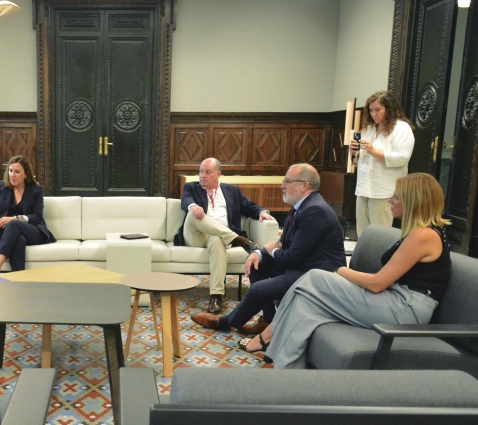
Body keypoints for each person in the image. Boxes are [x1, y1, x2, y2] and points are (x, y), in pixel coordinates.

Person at [244, 173, 450, 369]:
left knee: (314, 277)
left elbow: (377, 283)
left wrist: (339, 270)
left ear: (412, 201)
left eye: (395, 197)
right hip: (396, 299)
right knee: (306, 302)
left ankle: (270, 335)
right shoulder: (419, 233)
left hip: (406, 310)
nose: (390, 201)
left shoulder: (424, 235)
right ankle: (288, 369)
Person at [191, 163, 346, 334]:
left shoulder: (315, 211)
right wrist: (259, 253)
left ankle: (226, 322)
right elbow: (283, 243)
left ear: (304, 186)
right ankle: (269, 320)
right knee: (258, 264)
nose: (282, 185)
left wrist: (272, 251)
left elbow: (292, 256)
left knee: (258, 290)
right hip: (302, 266)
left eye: (287, 181)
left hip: (314, 274)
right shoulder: (301, 207)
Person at [175, 158, 275, 314]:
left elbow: (249, 206)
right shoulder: (191, 187)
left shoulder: (232, 191)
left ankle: (216, 296)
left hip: (220, 238)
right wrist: (193, 206)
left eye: (208, 172)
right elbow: (186, 200)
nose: (203, 175)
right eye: (201, 171)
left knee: (216, 239)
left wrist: (262, 212)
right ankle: (240, 240)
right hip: (196, 236)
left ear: (218, 174)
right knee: (192, 214)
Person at [352, 90, 415, 237]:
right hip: (363, 187)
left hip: (383, 190)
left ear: (389, 108)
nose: (374, 114)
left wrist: (374, 151)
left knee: (379, 234)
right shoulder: (368, 129)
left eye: (378, 110)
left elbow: (402, 158)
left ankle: (377, 260)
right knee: (362, 232)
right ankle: (362, 258)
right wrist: (354, 153)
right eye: (371, 110)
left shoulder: (401, 128)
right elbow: (358, 161)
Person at [0, 155, 56, 274]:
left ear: (25, 174)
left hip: (33, 231)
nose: (12, 175)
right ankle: (19, 281)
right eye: (11, 171)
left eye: (17, 172)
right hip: (7, 233)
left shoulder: (36, 190)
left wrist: (15, 218)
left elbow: (37, 216)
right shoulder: (1, 187)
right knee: (18, 240)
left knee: (14, 223)